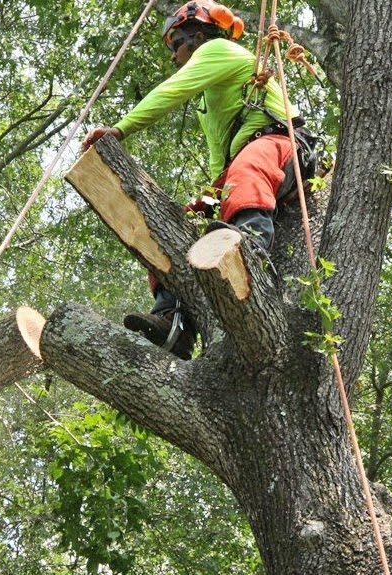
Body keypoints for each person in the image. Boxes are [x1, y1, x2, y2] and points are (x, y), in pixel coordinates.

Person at [82, 0, 309, 360]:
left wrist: (120, 130)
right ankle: (173, 319)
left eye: (176, 45)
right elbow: (223, 160)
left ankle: (251, 257)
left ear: (198, 36)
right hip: (246, 158)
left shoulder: (219, 50)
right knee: (184, 218)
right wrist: (210, 201)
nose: (174, 57)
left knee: (246, 172)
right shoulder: (213, 96)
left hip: (281, 144)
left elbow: (171, 91)